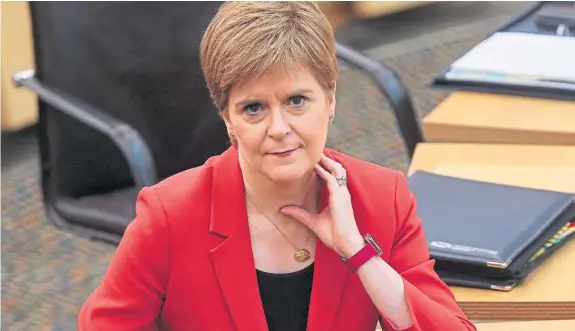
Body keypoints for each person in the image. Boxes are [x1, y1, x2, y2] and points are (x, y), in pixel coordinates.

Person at [78, 2, 477, 331]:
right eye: (254, 108)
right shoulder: (169, 216)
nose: (280, 129)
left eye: (297, 101)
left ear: (330, 100)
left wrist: (358, 253)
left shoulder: (382, 197)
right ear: (227, 119)